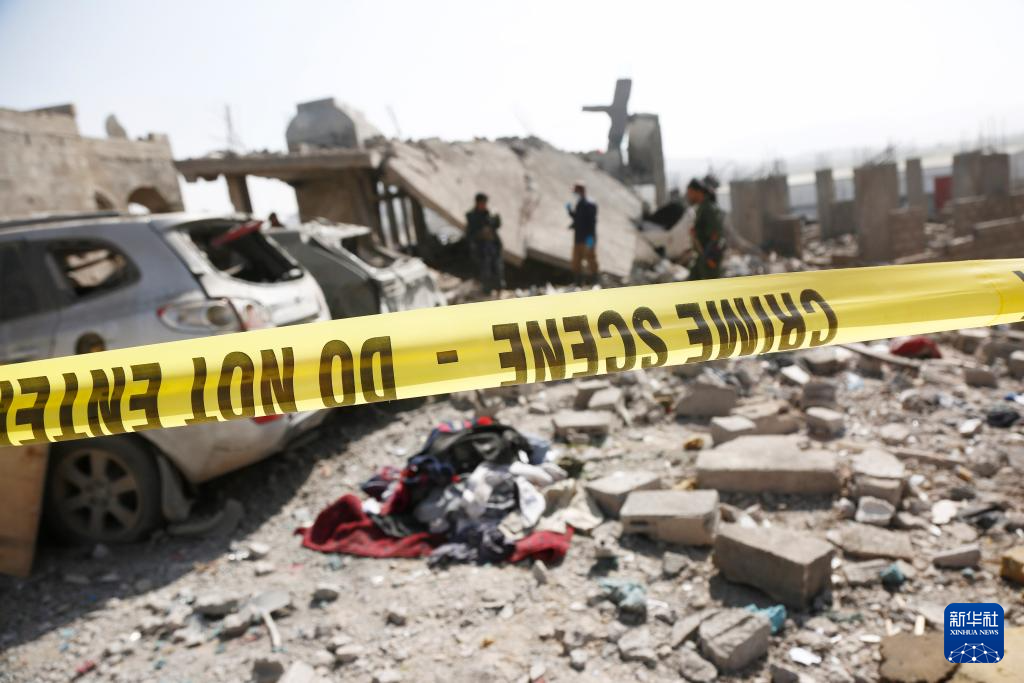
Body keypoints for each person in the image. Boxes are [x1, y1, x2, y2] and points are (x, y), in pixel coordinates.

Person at [686, 175, 726, 280]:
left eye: (690, 192)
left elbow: (715, 234)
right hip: (701, 257)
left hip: (708, 258)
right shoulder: (702, 207)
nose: (688, 196)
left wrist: (709, 257)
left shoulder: (708, 208)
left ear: (698, 192)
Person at [465, 192, 504, 295]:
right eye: (482, 203)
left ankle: (499, 289)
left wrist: (496, 217)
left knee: (497, 268)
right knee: (485, 270)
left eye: (485, 203)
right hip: (481, 247)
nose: (484, 205)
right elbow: (470, 233)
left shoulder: (488, 214)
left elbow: (497, 225)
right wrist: (480, 234)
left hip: (493, 246)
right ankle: (487, 290)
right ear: (477, 203)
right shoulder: (472, 216)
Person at [566, 182, 598, 286]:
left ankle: (595, 281)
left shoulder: (590, 204)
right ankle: (578, 282)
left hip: (588, 238)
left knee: (590, 258)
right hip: (578, 238)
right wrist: (570, 212)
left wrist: (590, 239)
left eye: (575, 191)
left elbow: (590, 222)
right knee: (576, 259)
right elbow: (578, 218)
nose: (574, 193)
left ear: (580, 191)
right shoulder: (580, 204)